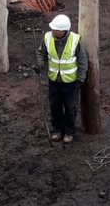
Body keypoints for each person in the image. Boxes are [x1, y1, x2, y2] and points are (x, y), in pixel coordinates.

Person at [36, 14, 88, 144]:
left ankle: (69, 132)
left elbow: (83, 60)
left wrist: (81, 79)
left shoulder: (75, 41)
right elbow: (41, 52)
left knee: (70, 108)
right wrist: (40, 63)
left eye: (55, 30)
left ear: (63, 31)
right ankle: (58, 130)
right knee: (55, 106)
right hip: (54, 80)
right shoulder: (48, 38)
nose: (52, 31)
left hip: (71, 83)